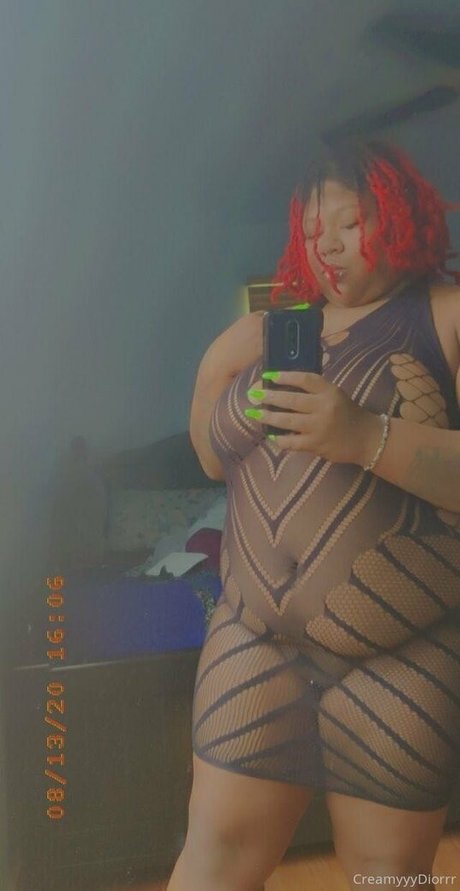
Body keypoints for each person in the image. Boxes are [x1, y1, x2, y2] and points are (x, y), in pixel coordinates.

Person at [166, 139, 460, 891]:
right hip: (253, 640)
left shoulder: (448, 315)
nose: (326, 244)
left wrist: (364, 436)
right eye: (312, 228)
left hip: (401, 653)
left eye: (351, 222)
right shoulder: (267, 333)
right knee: (212, 861)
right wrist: (217, 380)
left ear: (400, 215)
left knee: (390, 878)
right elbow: (209, 457)